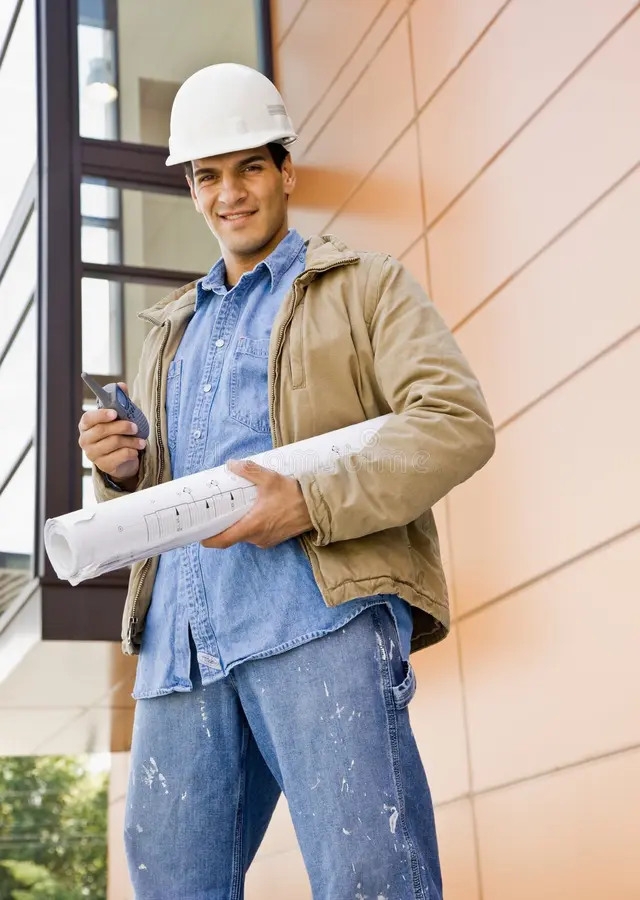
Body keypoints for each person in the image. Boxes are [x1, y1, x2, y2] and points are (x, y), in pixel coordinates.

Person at [78, 63, 495, 900]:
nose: (229, 193)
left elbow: (455, 421)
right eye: (208, 176)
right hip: (180, 651)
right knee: (173, 886)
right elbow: (163, 489)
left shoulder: (364, 287)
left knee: (370, 879)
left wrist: (308, 500)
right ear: (193, 192)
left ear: (286, 171)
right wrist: (117, 472)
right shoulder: (170, 333)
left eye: (249, 168)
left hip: (313, 621)